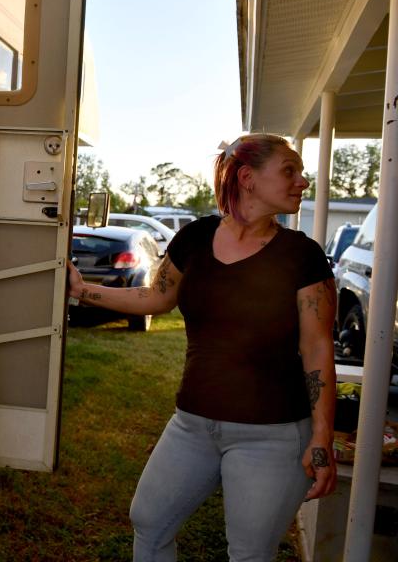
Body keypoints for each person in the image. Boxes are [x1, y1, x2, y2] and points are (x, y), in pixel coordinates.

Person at [68, 134, 337, 561]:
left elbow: (317, 348)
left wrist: (321, 437)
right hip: (192, 425)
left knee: (249, 553)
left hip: (271, 433)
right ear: (248, 178)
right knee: (149, 522)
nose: (303, 181)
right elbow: (155, 297)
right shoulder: (195, 237)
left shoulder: (302, 256)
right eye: (290, 170)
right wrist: (84, 291)